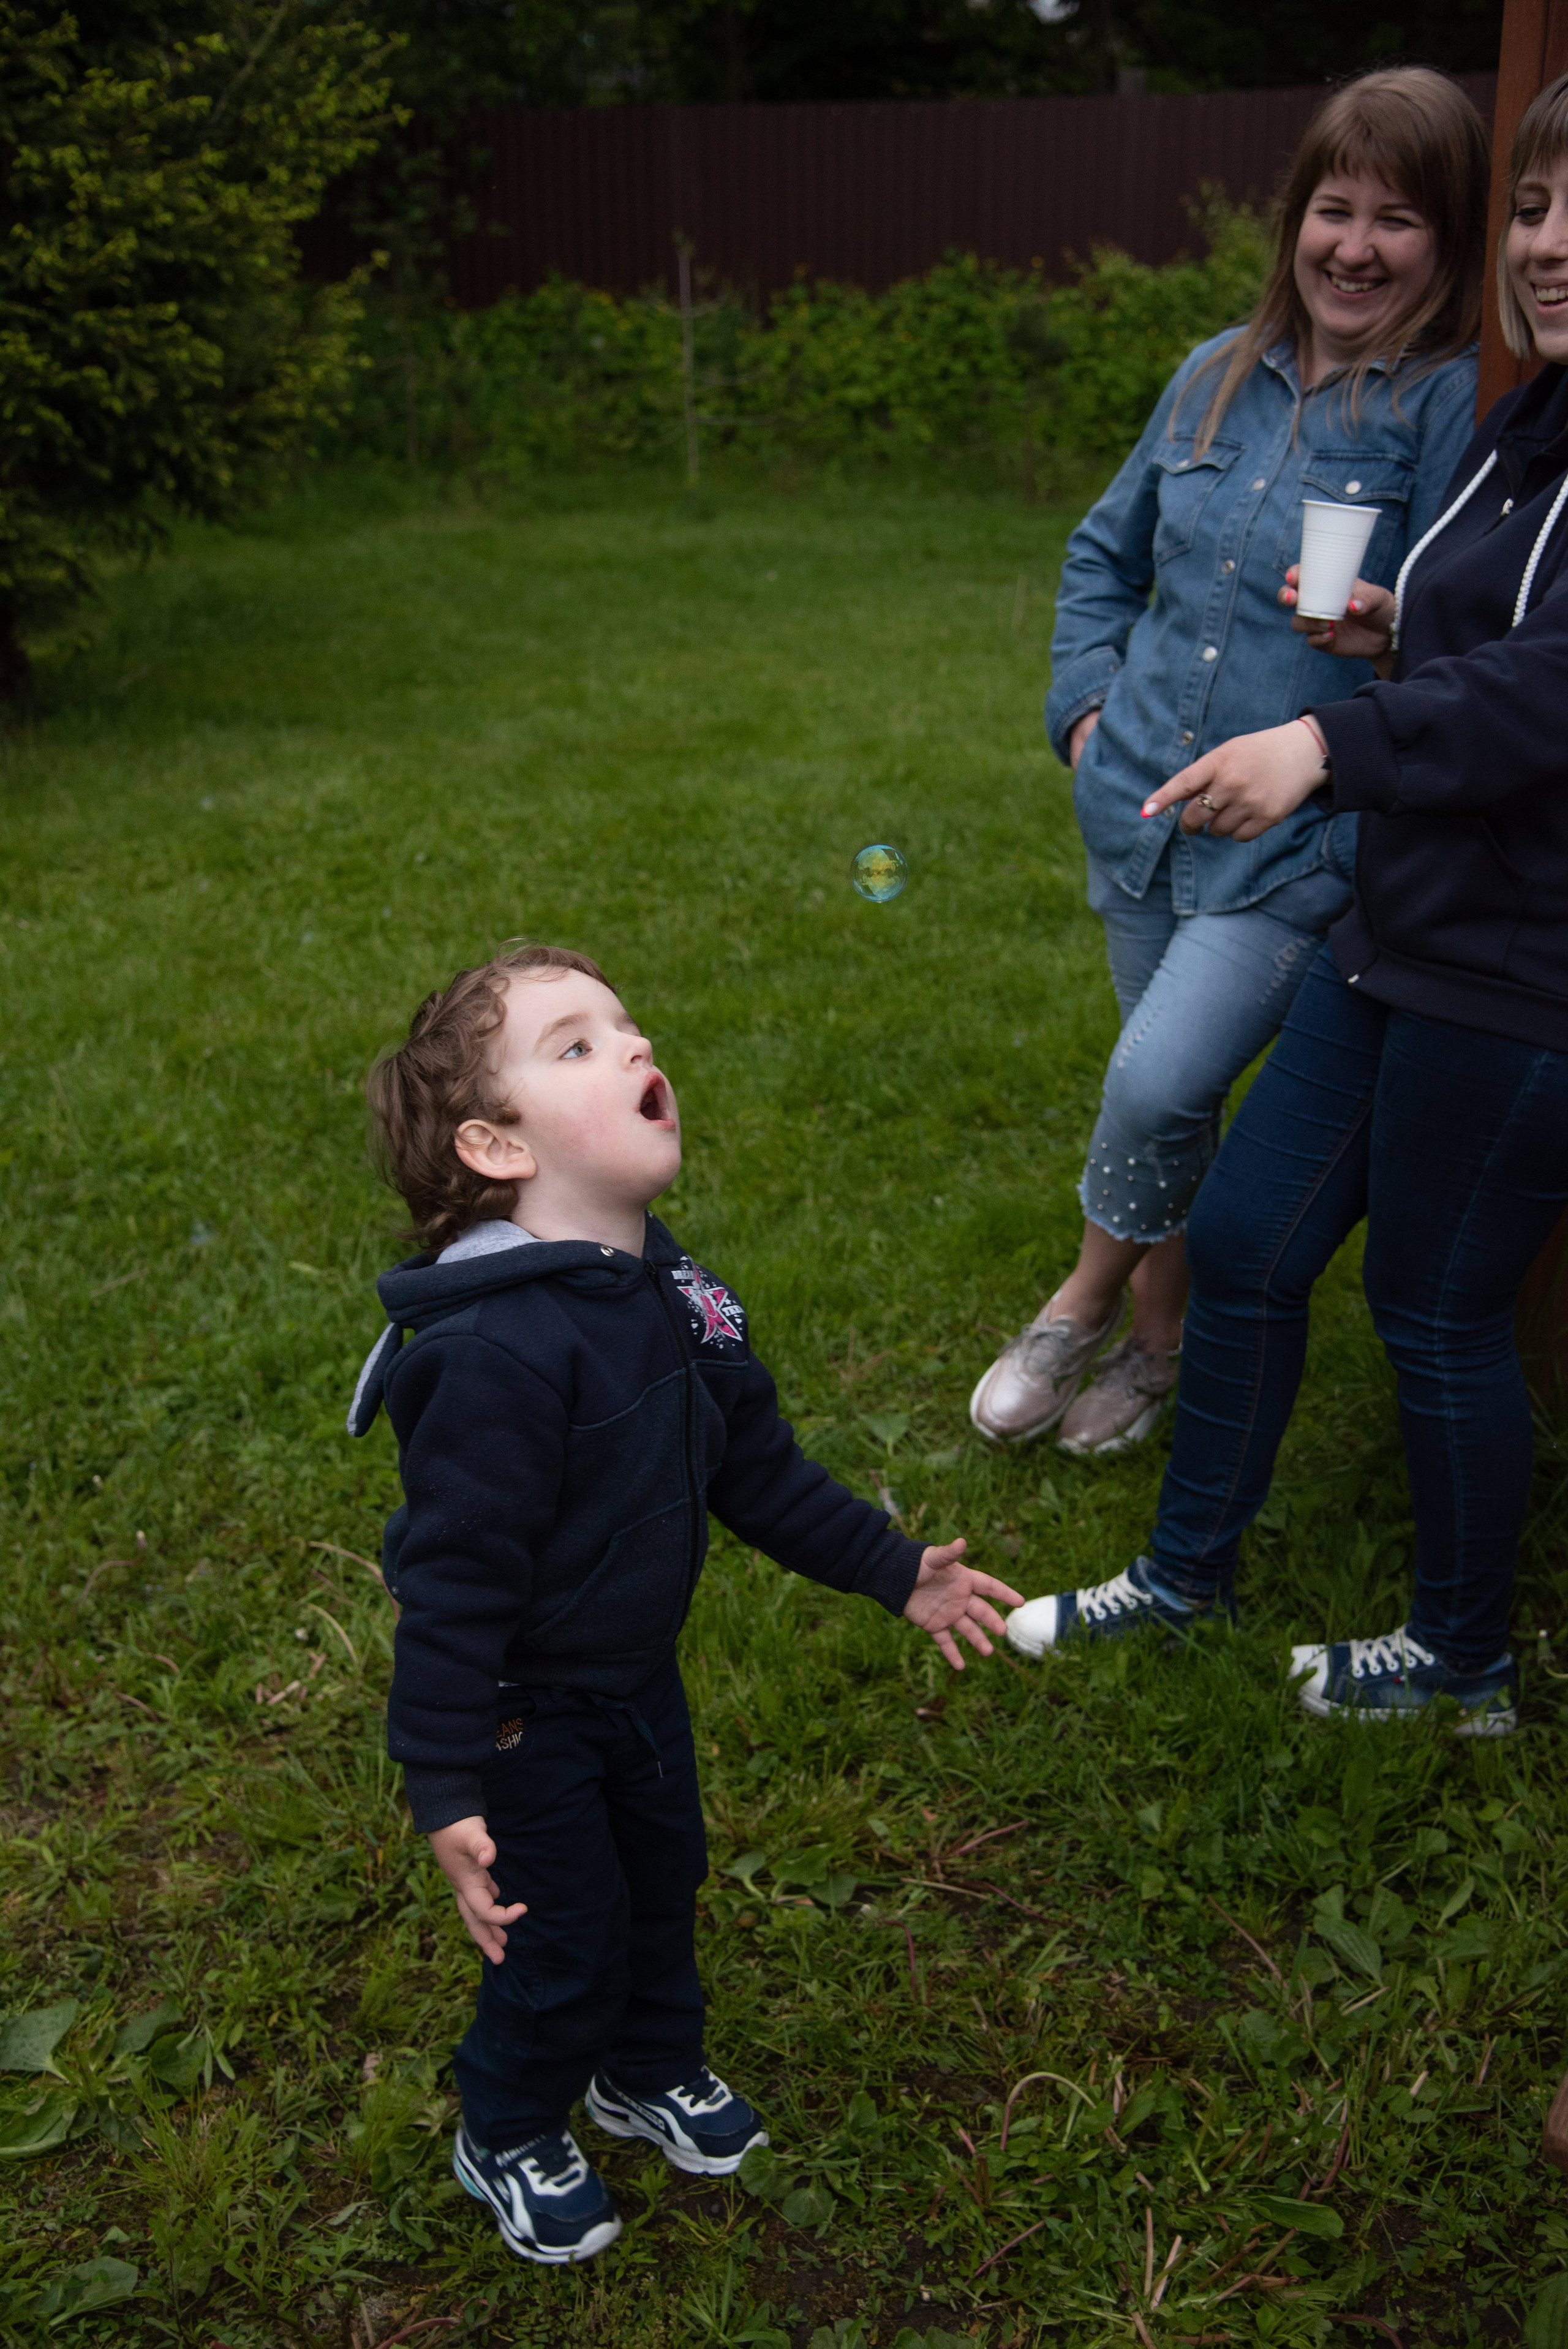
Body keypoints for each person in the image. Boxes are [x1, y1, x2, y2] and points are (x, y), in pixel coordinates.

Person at [1002, 72, 1568, 1736]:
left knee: (1436, 1313)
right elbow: (1475, 652)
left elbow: (1545, 691)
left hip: (1521, 965)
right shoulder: (1530, 426)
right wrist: (1393, 637)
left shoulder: (1474, 415)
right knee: (1246, 1239)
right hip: (1398, 924)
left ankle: (1465, 1658)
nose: (1550, 245)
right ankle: (1185, 1581)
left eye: (1546, 210)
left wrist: (1327, 731)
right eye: (1537, 208)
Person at [348, 941, 1021, 2264]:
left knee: (662, 1878)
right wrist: (443, 1783)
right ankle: (509, 2120)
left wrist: (894, 1568)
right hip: (515, 1714)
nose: (635, 1045)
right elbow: (452, 1585)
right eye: (577, 1044)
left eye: (628, 1024)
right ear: (495, 1147)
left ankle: (645, 2067)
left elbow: (753, 1467)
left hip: (631, 1679)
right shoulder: (492, 1357)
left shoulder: (669, 1287)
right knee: (567, 1930)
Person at [971, 67, 1489, 1459]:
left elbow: (1471, 636)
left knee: (1149, 1084)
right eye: (1333, 209)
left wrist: (1388, 635)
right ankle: (1159, 1344)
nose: (1356, 246)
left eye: (1399, 219)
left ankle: (1078, 1299)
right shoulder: (1210, 373)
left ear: (1448, 244)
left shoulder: (1443, 410)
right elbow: (1099, 557)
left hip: (1292, 852)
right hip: (1136, 810)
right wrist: (1081, 709)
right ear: (1293, 222)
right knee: (1167, 1084)